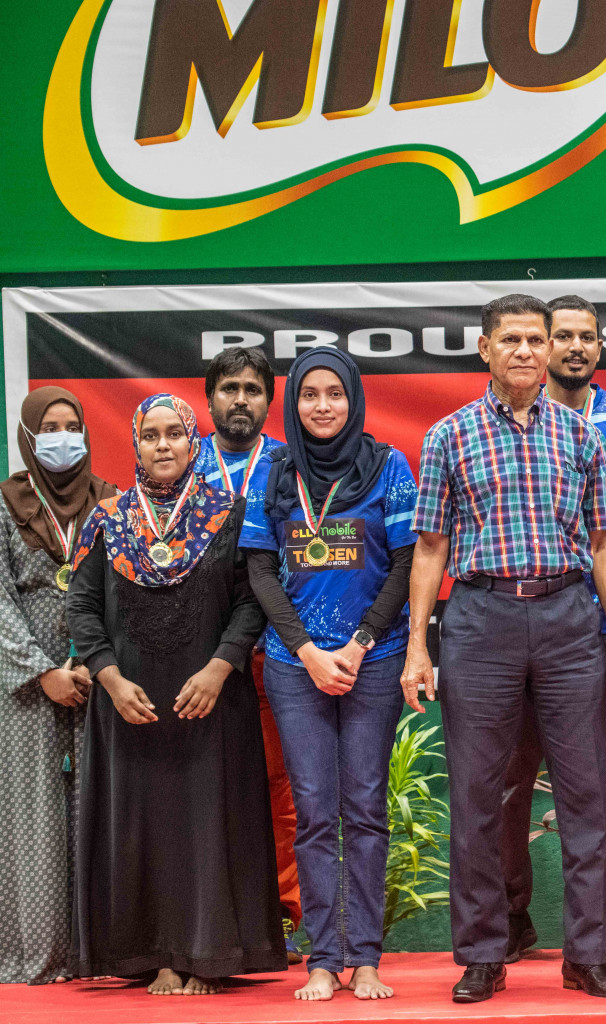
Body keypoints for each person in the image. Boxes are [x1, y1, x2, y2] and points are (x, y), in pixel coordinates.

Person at [402, 293, 606, 1002]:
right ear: (485, 350)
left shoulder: (580, 435)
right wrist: (419, 645)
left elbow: (605, 545)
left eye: (536, 340)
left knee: (586, 793)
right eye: (512, 340)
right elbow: (429, 548)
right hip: (480, 619)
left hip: (570, 620)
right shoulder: (449, 435)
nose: (528, 352)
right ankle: (482, 951)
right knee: (478, 792)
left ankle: (587, 952)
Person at [66, 394, 283, 994]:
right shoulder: (107, 520)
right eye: (150, 436)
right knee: (145, 826)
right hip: (128, 703)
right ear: (134, 445)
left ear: (194, 442)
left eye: (174, 434)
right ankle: (158, 954)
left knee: (207, 823)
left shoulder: (230, 514)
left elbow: (250, 602)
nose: (163, 445)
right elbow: (81, 608)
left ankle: (207, 955)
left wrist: (220, 668)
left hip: (212, 700)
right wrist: (108, 676)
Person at [239, 348, 418, 1001]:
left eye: (334, 393)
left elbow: (406, 563)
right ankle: (323, 957)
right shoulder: (276, 472)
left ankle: (366, 957)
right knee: (314, 814)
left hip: (374, 659)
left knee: (366, 810)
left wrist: (361, 641)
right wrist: (309, 651)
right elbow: (259, 570)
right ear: (294, 402)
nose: (321, 405)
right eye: (309, 393)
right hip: (294, 665)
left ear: (353, 399)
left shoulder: (388, 467)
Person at [496, 295, 606, 963]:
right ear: (540, 345)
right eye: (564, 337)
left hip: (594, 627)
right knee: (506, 776)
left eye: (589, 336)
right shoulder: (492, 421)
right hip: (511, 621)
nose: (577, 348)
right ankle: (509, 916)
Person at [0, 388, 115, 984]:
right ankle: (39, 953)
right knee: (35, 814)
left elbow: (126, 591)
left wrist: (100, 665)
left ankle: (100, 950)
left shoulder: (114, 503)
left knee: (99, 807)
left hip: (99, 682)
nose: (63, 437)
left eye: (73, 425)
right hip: (24, 688)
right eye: (50, 426)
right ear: (27, 434)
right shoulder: (2, 503)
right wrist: (42, 671)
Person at [197, 346, 303, 964]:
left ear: (270, 401)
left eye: (253, 390)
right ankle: (204, 920)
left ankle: (281, 920)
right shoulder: (183, 466)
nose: (241, 399)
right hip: (198, 657)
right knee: (200, 790)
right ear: (209, 397)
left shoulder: (289, 466)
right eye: (230, 388)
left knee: (278, 795)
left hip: (274, 654)